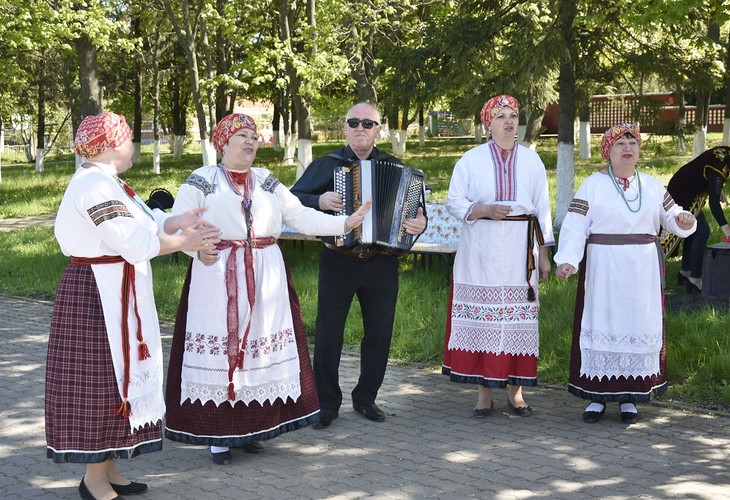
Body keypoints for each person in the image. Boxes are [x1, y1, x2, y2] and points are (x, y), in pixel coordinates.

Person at [164, 113, 371, 465]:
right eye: (242, 136)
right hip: (217, 274)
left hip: (265, 273)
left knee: (259, 352)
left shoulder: (266, 181)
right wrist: (195, 247)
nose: (250, 142)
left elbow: (300, 216)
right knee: (225, 348)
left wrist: (345, 223)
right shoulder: (202, 179)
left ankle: (251, 430)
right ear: (223, 143)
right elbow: (179, 223)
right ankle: (220, 436)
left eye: (254, 136)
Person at [45, 112, 220, 500]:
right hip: (96, 293)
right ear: (108, 146)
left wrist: (177, 223)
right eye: (127, 138)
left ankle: (108, 470)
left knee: (117, 377)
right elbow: (135, 244)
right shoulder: (93, 185)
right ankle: (93, 480)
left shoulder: (111, 183)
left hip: (116, 289)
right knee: (103, 379)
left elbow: (145, 225)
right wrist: (186, 242)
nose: (133, 146)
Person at [290, 102, 427, 428]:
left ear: (379, 129)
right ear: (346, 127)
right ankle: (326, 403)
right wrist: (319, 200)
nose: (361, 128)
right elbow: (292, 199)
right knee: (328, 335)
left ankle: (366, 399)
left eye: (368, 123)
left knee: (379, 335)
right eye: (354, 122)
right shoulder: (327, 164)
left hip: (381, 263)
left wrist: (419, 224)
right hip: (339, 260)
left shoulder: (396, 166)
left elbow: (417, 212)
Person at [554, 123, 696, 425]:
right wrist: (567, 259)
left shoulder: (653, 185)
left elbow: (671, 217)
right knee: (602, 320)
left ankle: (630, 397)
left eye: (632, 142)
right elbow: (576, 225)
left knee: (636, 323)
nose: (628, 148)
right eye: (620, 144)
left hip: (640, 270)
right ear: (609, 151)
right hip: (603, 268)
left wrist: (682, 220)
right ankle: (596, 395)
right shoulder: (592, 185)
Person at [441, 94, 555, 418]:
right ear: (487, 123)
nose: (508, 122)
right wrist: (484, 210)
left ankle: (515, 393)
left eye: (513, 116)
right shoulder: (471, 159)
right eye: (501, 116)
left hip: (521, 251)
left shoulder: (532, 161)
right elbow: (453, 201)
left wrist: (544, 255)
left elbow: (543, 211)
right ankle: (484, 393)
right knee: (484, 320)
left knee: (516, 321)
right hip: (481, 251)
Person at [665, 146, 730, 293]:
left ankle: (685, 272)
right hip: (682, 192)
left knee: (694, 231)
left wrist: (717, 189)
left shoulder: (726, 153)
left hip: (687, 187)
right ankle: (695, 279)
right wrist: (727, 230)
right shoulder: (719, 164)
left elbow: (708, 177)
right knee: (702, 232)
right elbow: (714, 204)